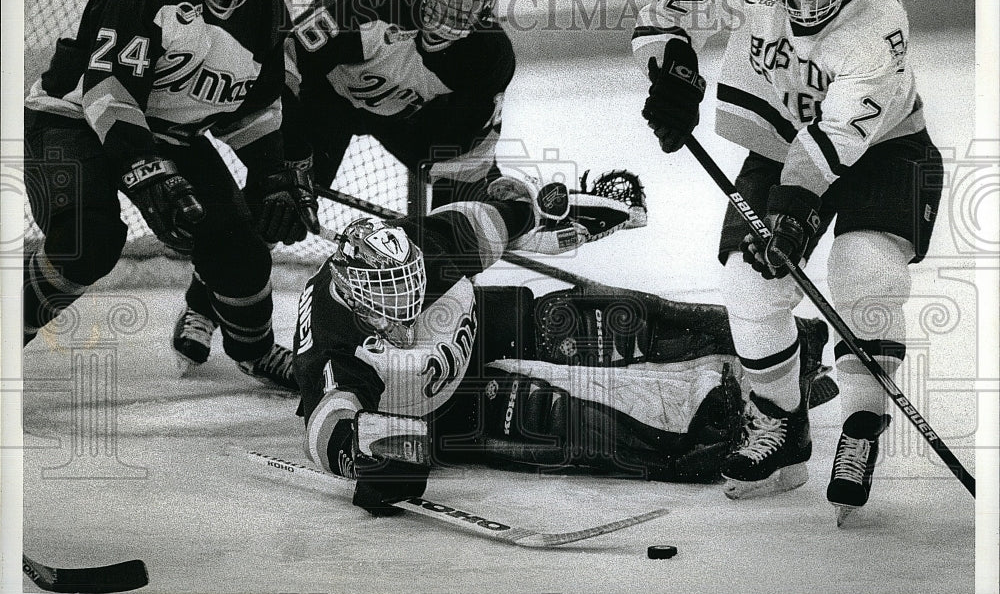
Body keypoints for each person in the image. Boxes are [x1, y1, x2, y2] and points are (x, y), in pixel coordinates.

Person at [634, 0, 944, 520]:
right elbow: (662, 12)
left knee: (867, 272)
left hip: (883, 150)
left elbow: (833, 145)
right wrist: (672, 70)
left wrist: (796, 214)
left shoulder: (877, 29)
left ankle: (861, 421)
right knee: (749, 285)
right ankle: (781, 426)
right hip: (781, 145)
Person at [288, 173, 833, 516]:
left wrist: (568, 210)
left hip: (478, 323)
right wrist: (369, 458)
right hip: (439, 407)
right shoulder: (335, 345)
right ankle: (719, 426)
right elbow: (324, 424)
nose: (404, 301)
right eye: (387, 292)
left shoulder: (427, 250)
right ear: (349, 287)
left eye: (408, 281)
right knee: (567, 418)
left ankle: (783, 351)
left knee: (605, 319)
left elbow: (503, 213)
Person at [172, 0, 515, 368]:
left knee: (471, 213)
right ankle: (202, 307)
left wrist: (450, 251)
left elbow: (467, 155)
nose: (460, 6)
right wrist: (290, 161)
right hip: (327, 100)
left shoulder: (489, 55)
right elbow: (289, 62)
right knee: (276, 205)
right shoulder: (373, 2)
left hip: (406, 117)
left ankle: (443, 314)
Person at [23, 0, 319, 390]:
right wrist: (147, 171)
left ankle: (255, 350)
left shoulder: (268, 8)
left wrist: (274, 175)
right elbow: (107, 91)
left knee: (242, 250)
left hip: (170, 135)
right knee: (87, 240)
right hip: (71, 119)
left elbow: (252, 109)